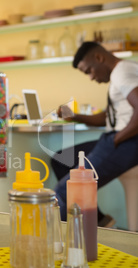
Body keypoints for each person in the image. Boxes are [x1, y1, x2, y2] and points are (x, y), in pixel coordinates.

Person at [52, 41, 138, 227]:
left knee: (63, 191)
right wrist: (75, 116)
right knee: (61, 160)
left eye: (89, 70)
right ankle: (99, 220)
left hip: (128, 142)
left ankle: (66, 248)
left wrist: (116, 140)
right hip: (119, 138)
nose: (91, 77)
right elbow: (108, 117)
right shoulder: (123, 71)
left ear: (99, 58)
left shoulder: (122, 72)